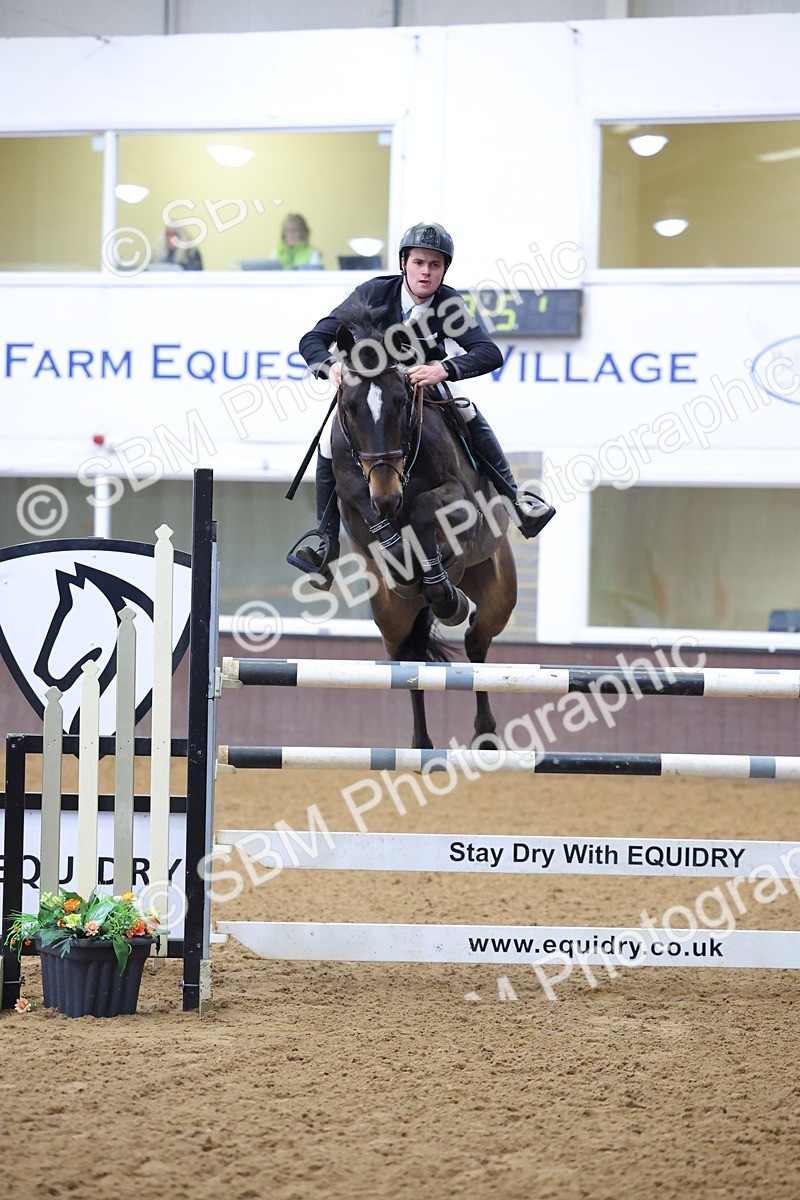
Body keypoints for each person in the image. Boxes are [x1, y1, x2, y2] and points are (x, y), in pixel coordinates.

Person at [290, 220, 555, 587]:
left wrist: (442, 369)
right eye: (419, 263)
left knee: (468, 412)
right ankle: (325, 542)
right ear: (403, 263)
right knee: (325, 442)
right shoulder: (373, 293)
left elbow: (489, 353)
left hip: (422, 393)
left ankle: (515, 500)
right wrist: (331, 366)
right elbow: (313, 338)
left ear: (444, 270)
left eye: (435, 265)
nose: (426, 272)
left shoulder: (449, 304)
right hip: (372, 393)